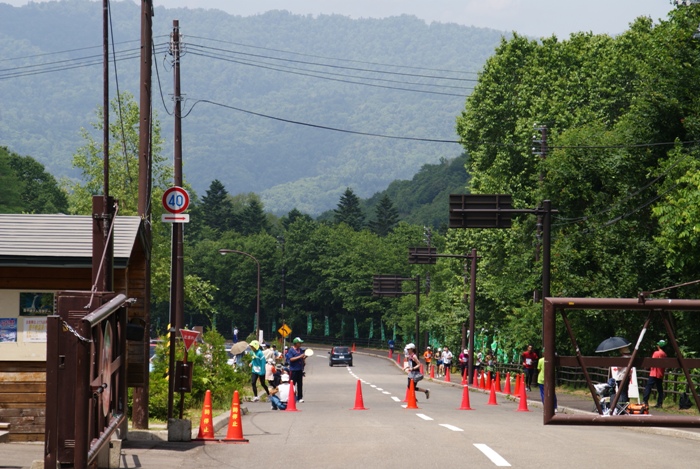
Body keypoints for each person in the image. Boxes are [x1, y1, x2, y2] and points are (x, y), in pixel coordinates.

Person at [643, 339, 668, 408]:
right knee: (660, 389)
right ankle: (659, 403)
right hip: (660, 373)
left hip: (654, 372)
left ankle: (645, 401)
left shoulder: (656, 353)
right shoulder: (665, 354)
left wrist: (647, 366)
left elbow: (652, 362)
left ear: (659, 346)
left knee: (648, 387)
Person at [286, 337, 307, 403]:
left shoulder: (300, 350)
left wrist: (304, 358)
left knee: (300, 384)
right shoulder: (291, 350)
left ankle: (300, 397)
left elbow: (302, 358)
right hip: (293, 369)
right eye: (299, 343)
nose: (300, 344)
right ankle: (290, 397)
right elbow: (291, 359)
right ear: (296, 343)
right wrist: (299, 357)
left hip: (299, 369)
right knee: (292, 384)